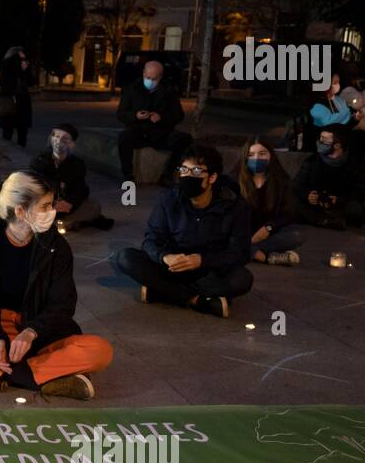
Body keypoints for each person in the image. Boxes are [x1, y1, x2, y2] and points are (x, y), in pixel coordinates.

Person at [0, 170, 113, 399]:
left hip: (40, 334)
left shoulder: (56, 248)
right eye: (45, 206)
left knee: (100, 351)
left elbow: (63, 306)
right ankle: (44, 378)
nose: (52, 211)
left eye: (52, 204)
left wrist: (31, 332)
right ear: (20, 212)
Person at [115, 143, 253, 318]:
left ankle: (163, 292)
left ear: (212, 177)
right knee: (125, 258)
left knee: (242, 278)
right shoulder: (168, 199)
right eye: (184, 170)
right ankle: (197, 300)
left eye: (196, 171)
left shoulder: (235, 206)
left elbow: (239, 253)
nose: (188, 176)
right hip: (173, 268)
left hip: (209, 271)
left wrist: (201, 260)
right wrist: (164, 257)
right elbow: (150, 241)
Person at [116, 60, 190, 183]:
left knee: (185, 139)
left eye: (153, 78)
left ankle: (167, 175)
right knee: (124, 137)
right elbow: (121, 114)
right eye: (147, 77)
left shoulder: (168, 91)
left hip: (160, 132)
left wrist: (162, 117)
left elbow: (179, 115)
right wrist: (136, 116)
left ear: (160, 77)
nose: (149, 81)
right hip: (137, 131)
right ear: (143, 73)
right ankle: (128, 176)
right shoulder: (131, 89)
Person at [30, 123, 111, 232]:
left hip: (66, 207)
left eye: (65, 139)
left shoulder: (77, 164)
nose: (59, 141)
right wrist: (52, 203)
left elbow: (80, 189)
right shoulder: (39, 161)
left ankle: (58, 223)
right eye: (56, 137)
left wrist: (70, 201)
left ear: (72, 144)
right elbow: (34, 189)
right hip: (46, 205)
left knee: (94, 206)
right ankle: (63, 223)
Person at [237, 137, 303, 266]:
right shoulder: (236, 179)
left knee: (296, 236)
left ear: (271, 156)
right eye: (251, 155)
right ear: (245, 158)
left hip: (268, 234)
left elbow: (289, 213)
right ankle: (266, 257)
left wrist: (269, 228)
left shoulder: (281, 180)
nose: (256, 159)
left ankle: (247, 251)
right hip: (241, 233)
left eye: (262, 154)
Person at [292, 126, 365, 230]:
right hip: (315, 205)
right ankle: (325, 221)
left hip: (340, 205)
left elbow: (361, 191)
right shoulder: (312, 161)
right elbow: (297, 185)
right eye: (320, 139)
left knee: (355, 209)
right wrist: (308, 195)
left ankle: (326, 220)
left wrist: (339, 200)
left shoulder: (358, 164)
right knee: (291, 202)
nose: (319, 143)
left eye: (324, 141)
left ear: (337, 145)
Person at [0, 46, 33, 147]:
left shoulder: (5, 63)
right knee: (21, 130)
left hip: (8, 99)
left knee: (8, 130)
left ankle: (7, 150)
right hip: (19, 99)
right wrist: (24, 69)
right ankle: (20, 149)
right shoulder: (18, 63)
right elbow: (29, 81)